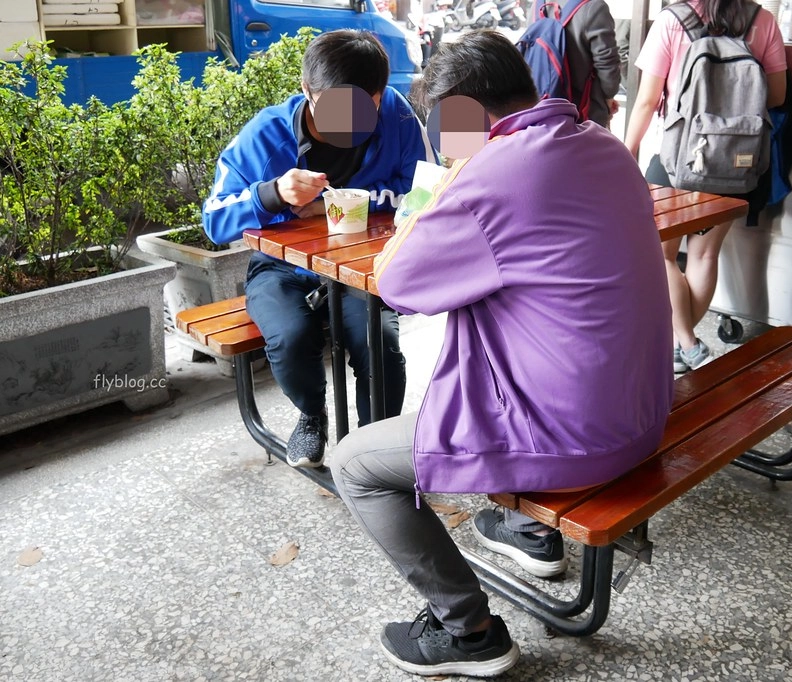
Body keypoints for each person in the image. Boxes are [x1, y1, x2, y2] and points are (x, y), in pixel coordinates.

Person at [328, 29, 673, 677]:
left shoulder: (495, 168)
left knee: (355, 465)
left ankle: (469, 633)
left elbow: (400, 284)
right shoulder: (599, 143)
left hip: (577, 439)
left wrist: (451, 175)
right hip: (644, 413)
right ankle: (521, 529)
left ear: (461, 112)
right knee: (489, 365)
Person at [202, 30, 434, 468]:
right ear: (306, 89)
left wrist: (359, 202)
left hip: (359, 269)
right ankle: (311, 416)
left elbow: (426, 189)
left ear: (379, 97)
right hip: (279, 267)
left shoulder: (398, 120)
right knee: (291, 336)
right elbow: (214, 220)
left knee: (378, 341)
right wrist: (271, 194)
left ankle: (375, 448)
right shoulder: (266, 135)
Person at [624, 0, 786, 373]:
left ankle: (686, 343)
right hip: (736, 162)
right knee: (703, 256)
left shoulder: (672, 20)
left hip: (679, 160)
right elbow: (776, 96)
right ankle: (682, 347)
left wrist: (628, 150)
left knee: (657, 255)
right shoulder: (763, 21)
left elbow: (647, 99)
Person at [533, 0, 622, 127]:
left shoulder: (538, 6)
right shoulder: (593, 7)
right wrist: (607, 100)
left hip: (539, 112)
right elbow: (608, 65)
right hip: (584, 115)